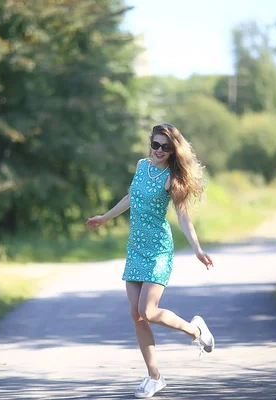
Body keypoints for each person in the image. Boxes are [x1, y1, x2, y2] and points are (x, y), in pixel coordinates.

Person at [86, 123, 215, 399]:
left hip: (158, 250)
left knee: (148, 311)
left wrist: (197, 249)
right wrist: (105, 217)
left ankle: (196, 330)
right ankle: (154, 377)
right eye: (155, 144)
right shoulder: (141, 166)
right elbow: (132, 196)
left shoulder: (172, 179)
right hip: (135, 248)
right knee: (136, 315)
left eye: (165, 147)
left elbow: (183, 217)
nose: (158, 151)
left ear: (173, 151)